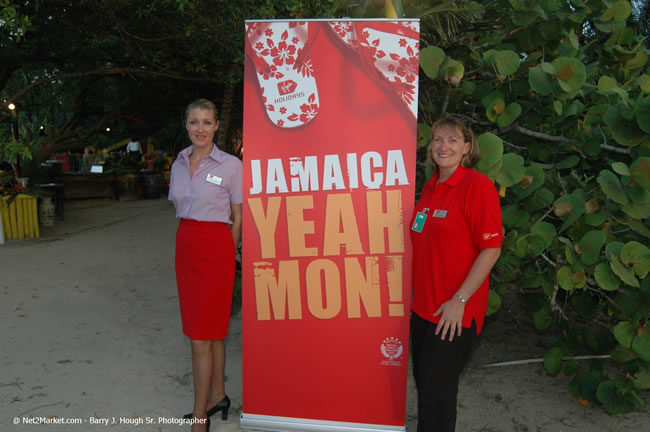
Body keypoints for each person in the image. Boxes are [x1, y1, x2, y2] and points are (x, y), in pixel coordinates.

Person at [409, 117, 503, 432]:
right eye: (437, 140)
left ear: (466, 147)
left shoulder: (477, 187)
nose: (443, 146)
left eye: (452, 140)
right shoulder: (431, 187)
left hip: (454, 312)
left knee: (437, 393)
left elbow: (491, 249)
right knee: (426, 387)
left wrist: (459, 299)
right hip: (423, 309)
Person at [168, 99, 242, 432]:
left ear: (216, 126)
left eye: (207, 122)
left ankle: (200, 416)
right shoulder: (178, 163)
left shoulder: (231, 165)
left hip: (217, 249)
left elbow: (239, 216)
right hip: (186, 246)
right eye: (194, 122)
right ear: (186, 125)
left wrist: (229, 248)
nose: (201, 129)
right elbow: (179, 208)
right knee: (211, 334)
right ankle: (218, 396)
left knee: (201, 337)